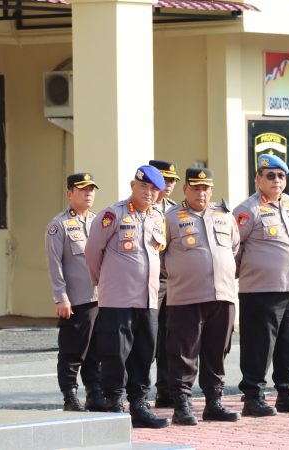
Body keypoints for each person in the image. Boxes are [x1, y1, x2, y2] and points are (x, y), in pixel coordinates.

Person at [85, 165, 169, 429]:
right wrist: (105, 283)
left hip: (148, 300)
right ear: (133, 186)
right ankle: (114, 404)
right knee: (115, 354)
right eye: (144, 186)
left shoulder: (157, 217)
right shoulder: (112, 215)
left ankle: (139, 405)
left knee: (144, 353)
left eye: (154, 189)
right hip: (117, 299)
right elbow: (92, 253)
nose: (149, 193)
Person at [232, 153, 289, 417]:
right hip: (260, 290)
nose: (276, 180)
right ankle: (253, 397)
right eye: (270, 175)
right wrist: (245, 273)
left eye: (281, 176)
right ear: (258, 179)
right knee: (259, 347)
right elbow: (233, 248)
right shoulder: (248, 210)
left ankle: (287, 394)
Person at [163, 168, 241, 426]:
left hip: (222, 295)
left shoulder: (224, 215)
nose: (201, 193)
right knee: (183, 352)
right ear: (185, 189)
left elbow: (234, 247)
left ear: (211, 189)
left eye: (205, 188)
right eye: (195, 188)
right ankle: (182, 405)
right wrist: (182, 272)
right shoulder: (171, 217)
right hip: (186, 297)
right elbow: (160, 255)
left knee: (217, 351)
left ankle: (213, 403)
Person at [44, 173, 104, 412]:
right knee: (73, 350)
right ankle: (70, 395)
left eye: (91, 189)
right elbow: (54, 264)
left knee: (96, 350)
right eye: (82, 189)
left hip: (100, 298)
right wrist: (60, 297)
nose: (88, 193)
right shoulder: (58, 225)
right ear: (70, 193)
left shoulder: (99, 221)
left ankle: (94, 392)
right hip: (76, 300)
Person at [148, 159, 180, 407]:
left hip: (172, 280)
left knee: (172, 336)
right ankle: (136, 390)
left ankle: (166, 390)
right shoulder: (141, 207)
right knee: (148, 336)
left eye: (172, 181)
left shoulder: (174, 209)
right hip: (148, 280)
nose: (168, 184)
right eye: (164, 179)